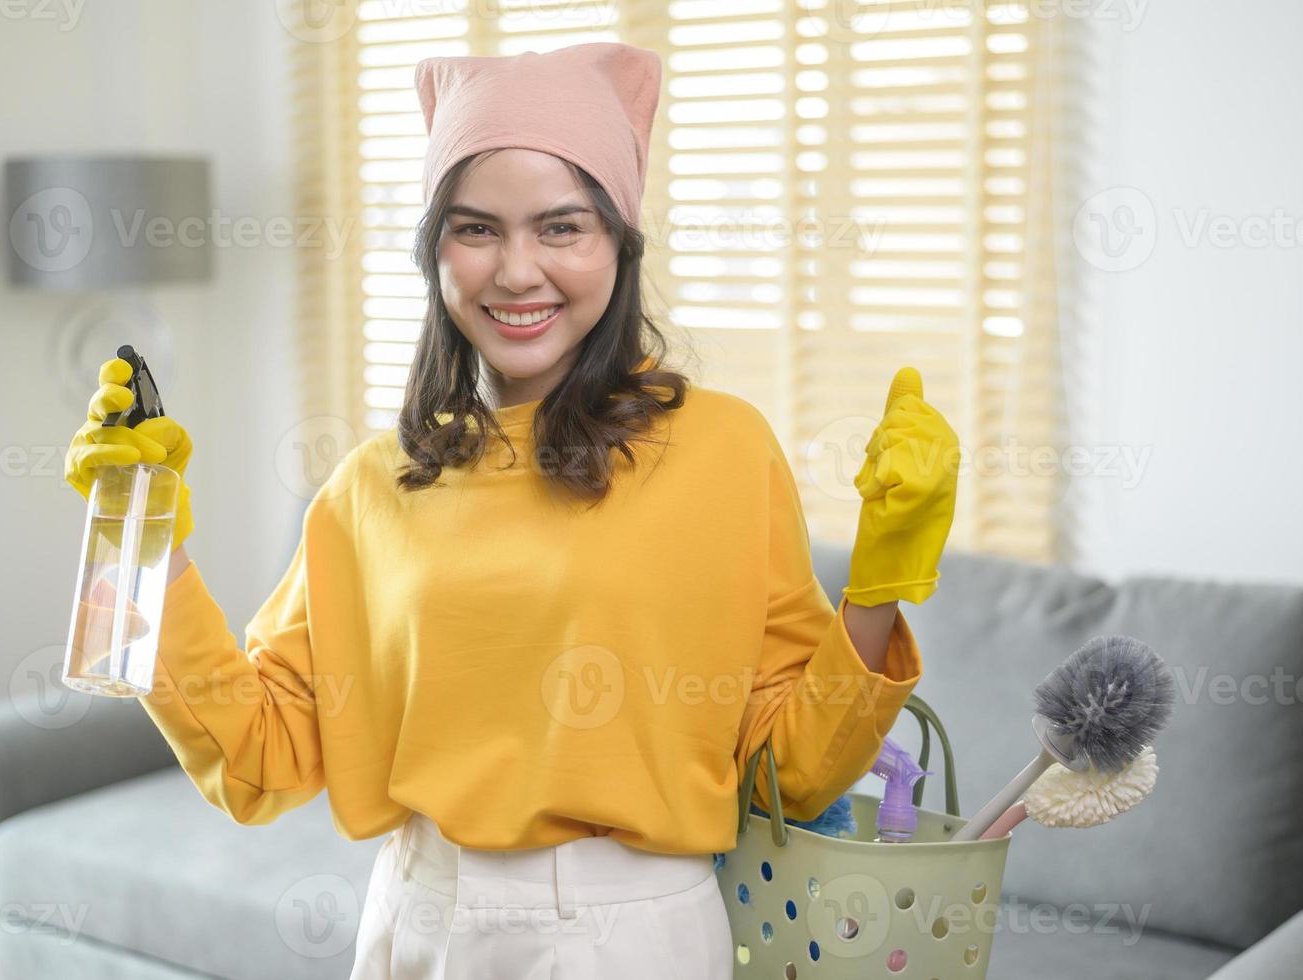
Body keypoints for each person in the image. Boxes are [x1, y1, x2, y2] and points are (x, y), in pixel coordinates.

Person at [62, 41, 960, 980]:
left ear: (619, 241)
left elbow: (797, 772)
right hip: (413, 918)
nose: (517, 272)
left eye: (562, 228)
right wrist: (145, 541)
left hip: (630, 937)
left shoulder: (722, 451)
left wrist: (878, 587)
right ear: (434, 248)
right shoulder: (373, 486)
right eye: (476, 229)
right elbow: (260, 760)